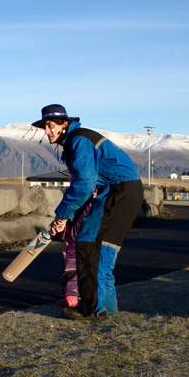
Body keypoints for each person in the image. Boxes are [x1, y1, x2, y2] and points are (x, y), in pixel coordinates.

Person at [31, 104, 143, 319]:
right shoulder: (77, 140)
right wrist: (67, 217)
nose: (47, 131)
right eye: (45, 127)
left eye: (51, 126)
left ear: (65, 124)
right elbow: (87, 185)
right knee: (103, 248)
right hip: (121, 191)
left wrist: (62, 216)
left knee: (90, 245)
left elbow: (84, 184)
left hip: (118, 191)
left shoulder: (79, 140)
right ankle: (106, 310)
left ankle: (93, 310)